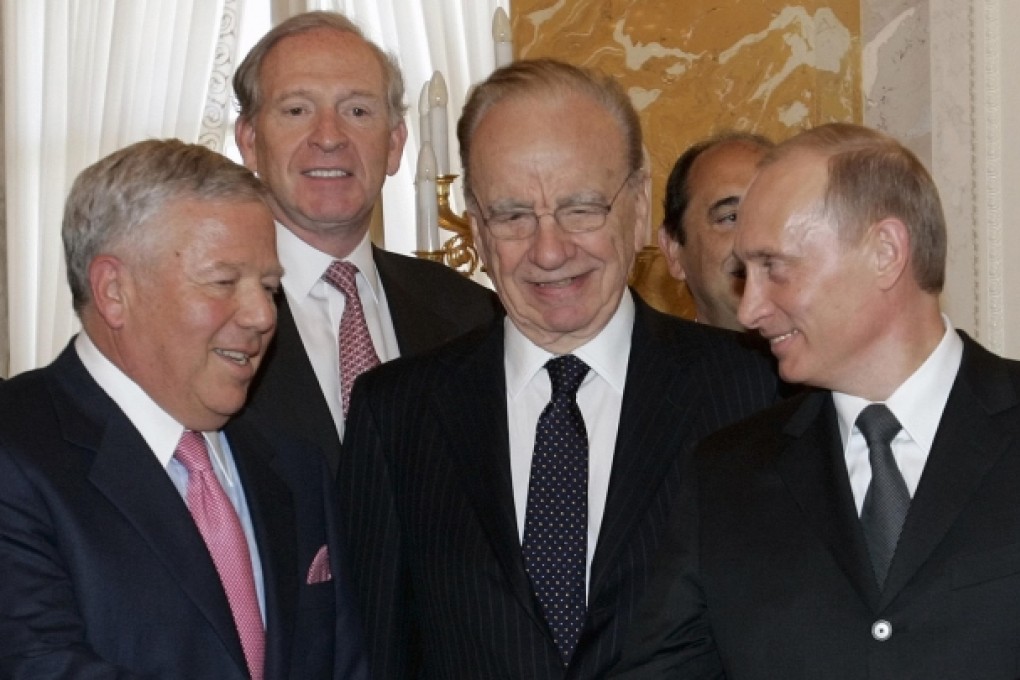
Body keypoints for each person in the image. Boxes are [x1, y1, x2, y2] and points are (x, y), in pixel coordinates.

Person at [337, 59, 782, 680]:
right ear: (475, 219)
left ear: (638, 200)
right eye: (513, 215)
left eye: (581, 209)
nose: (549, 251)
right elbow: (378, 656)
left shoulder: (757, 395)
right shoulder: (396, 416)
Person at [611, 123, 1020, 679]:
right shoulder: (724, 476)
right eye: (742, 274)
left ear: (885, 252)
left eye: (774, 268)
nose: (751, 309)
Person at [0, 139, 367, 679]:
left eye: (269, 287)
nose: (263, 316)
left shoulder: (294, 469)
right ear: (113, 290)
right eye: (224, 282)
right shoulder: (17, 451)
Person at [233, 11, 501, 475]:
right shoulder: (203, 318)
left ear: (395, 144)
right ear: (250, 142)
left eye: (357, 111)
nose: (330, 137)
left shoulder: (472, 315)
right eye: (297, 110)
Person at [659, 132, 773, 331]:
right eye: (731, 217)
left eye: (774, 215)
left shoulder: (840, 359)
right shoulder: (644, 361)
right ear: (673, 250)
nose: (756, 241)